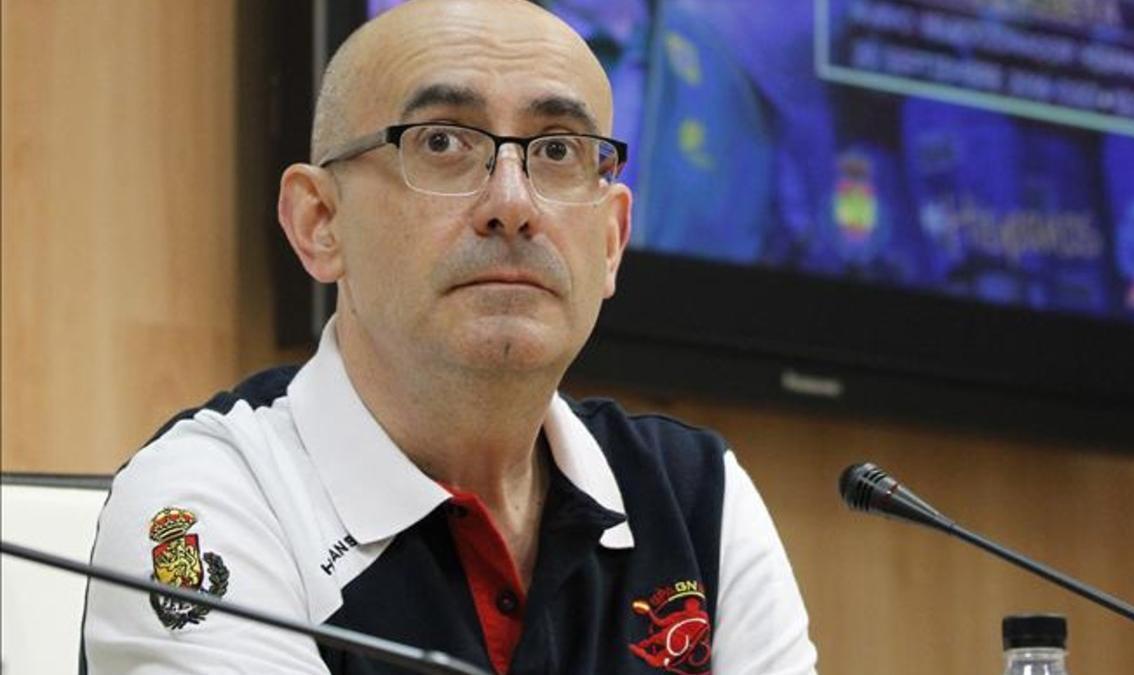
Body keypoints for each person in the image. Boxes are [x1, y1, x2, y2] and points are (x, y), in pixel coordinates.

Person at [82, 1, 819, 673]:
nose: (512, 203)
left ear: (612, 241)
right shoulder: (210, 502)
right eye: (442, 141)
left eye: (558, 151)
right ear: (319, 222)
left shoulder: (695, 497)